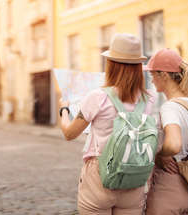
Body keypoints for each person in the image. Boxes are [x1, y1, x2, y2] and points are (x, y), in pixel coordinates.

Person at [59, 33, 156, 215]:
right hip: (133, 177)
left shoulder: (98, 97)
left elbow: (69, 133)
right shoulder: (149, 98)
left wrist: (64, 110)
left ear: (111, 64)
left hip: (100, 176)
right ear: (137, 67)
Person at [144, 49, 188, 215]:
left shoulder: (170, 107)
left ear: (164, 75)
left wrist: (160, 155)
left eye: (153, 75)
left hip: (169, 187)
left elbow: (174, 144)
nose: (152, 81)